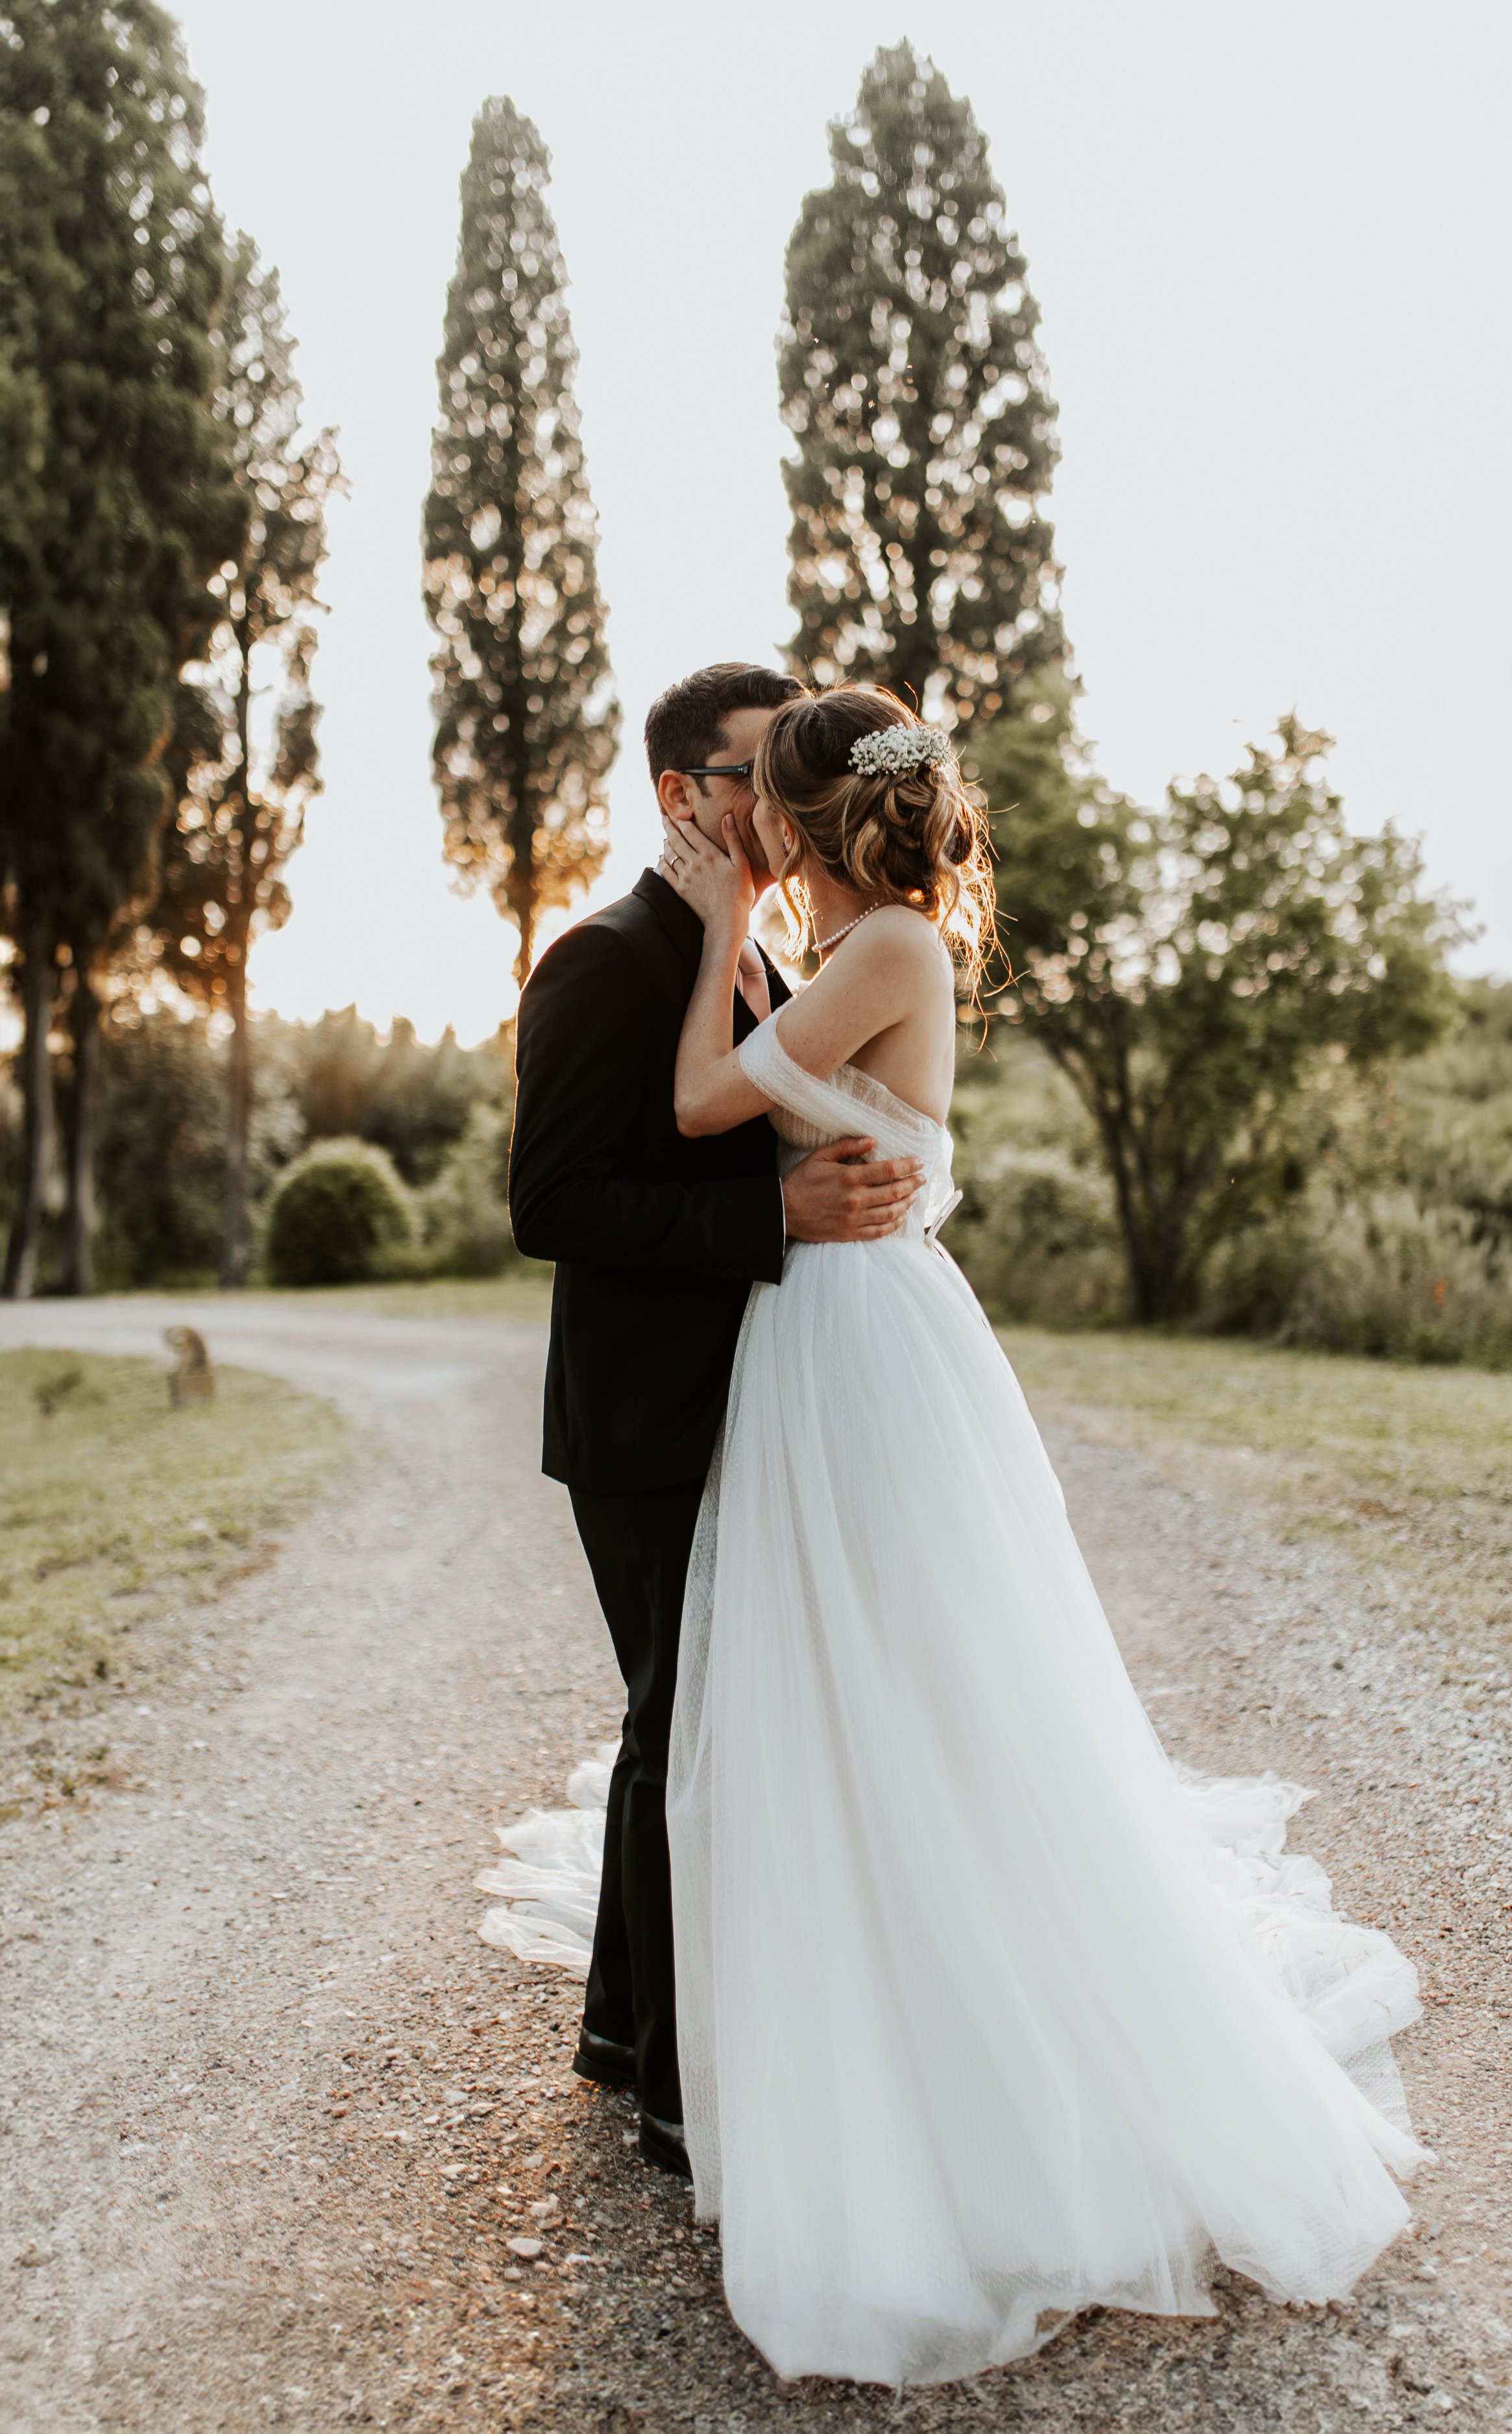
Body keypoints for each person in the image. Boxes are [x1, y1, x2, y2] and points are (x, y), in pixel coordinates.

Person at [651, 682, 1424, 2387]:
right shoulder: (853, 947)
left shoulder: (884, 947)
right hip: (829, 1333)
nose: (743, 820)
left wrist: (712, 928)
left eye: (758, 798)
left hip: (861, 1343)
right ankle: (886, 2028)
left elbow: (703, 1100)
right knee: (849, 1692)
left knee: (932, 1688)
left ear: (791, 816)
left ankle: (1003, 2078)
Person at [506, 663, 926, 2179]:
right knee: (683, 1729)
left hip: (752, 1406)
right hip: (643, 1415)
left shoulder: (753, 955)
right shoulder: (604, 959)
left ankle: (628, 2035)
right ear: (684, 793)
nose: (792, 797)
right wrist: (775, 1216)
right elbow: (550, 1205)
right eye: (760, 770)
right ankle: (682, 2095)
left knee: (684, 1724)